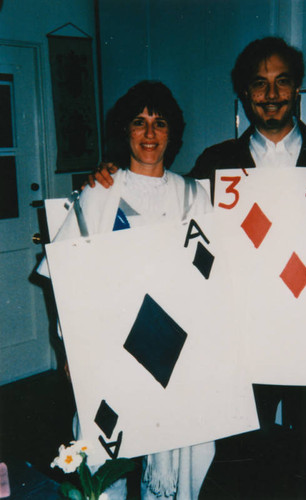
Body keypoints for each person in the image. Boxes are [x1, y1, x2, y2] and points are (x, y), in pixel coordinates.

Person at [88, 37, 306, 451]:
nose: (271, 95)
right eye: (259, 84)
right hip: (241, 336)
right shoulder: (215, 162)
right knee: (242, 452)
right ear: (245, 92)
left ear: (297, 87)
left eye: (281, 82)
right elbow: (162, 198)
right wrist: (109, 172)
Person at [40, 80, 214, 499]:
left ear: (173, 133)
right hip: (110, 348)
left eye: (159, 123)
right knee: (105, 458)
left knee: (180, 450)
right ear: (125, 130)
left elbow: (211, 278)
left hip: (174, 348)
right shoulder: (99, 195)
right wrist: (70, 352)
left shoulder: (193, 196)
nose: (150, 134)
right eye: (139, 122)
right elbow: (64, 279)